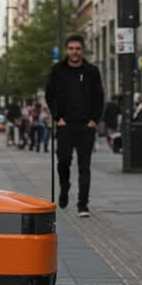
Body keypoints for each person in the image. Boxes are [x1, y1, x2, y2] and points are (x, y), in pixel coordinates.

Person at [45, 34, 106, 215]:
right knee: (63, 161)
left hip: (86, 126)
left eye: (78, 49)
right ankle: (65, 187)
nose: (74, 52)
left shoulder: (92, 71)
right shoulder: (57, 70)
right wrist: (58, 118)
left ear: (82, 50)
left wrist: (94, 119)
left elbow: (99, 97)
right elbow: (50, 96)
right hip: (65, 124)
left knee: (84, 166)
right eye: (71, 49)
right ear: (67, 50)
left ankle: (83, 204)